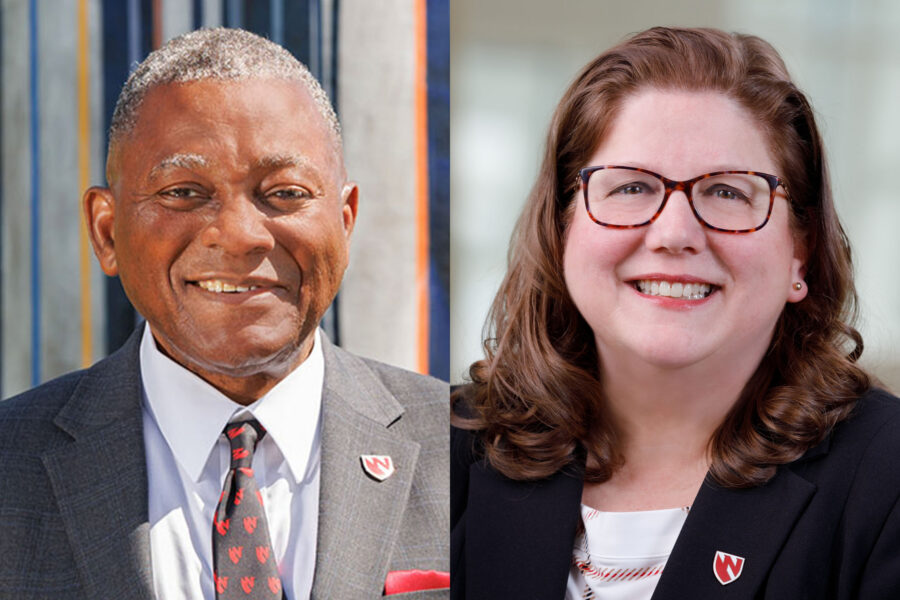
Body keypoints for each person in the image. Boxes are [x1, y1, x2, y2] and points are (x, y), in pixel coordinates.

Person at [450, 27, 900, 599]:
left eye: (729, 193)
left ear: (800, 251)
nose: (674, 233)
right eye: (632, 187)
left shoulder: (886, 480)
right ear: (563, 228)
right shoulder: (450, 451)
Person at [0, 28, 448, 599]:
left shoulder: (463, 446)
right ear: (106, 231)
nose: (239, 236)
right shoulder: (9, 470)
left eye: (285, 193)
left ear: (345, 220)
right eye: (184, 192)